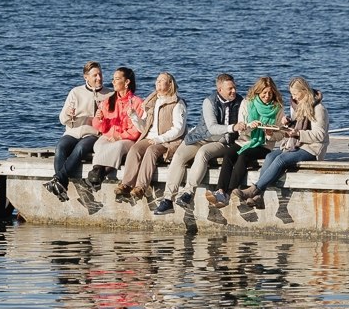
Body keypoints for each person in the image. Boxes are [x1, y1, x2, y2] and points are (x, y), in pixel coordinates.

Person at [153, 73, 242, 215]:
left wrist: (235, 130)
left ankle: (187, 193)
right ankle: (168, 199)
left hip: (221, 141)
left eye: (234, 88)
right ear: (220, 90)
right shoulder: (210, 102)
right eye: (230, 89)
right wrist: (233, 127)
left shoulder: (240, 102)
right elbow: (212, 127)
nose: (234, 91)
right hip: (200, 136)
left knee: (202, 154)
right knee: (179, 156)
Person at [234, 76, 330, 207]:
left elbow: (320, 135)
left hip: (312, 148)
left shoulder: (319, 109)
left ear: (304, 91)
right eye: (292, 94)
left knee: (281, 160)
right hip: (296, 144)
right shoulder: (298, 106)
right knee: (270, 156)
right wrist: (288, 124)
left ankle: (255, 190)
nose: (293, 97)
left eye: (295, 94)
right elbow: (296, 126)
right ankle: (259, 197)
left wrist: (297, 133)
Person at [205, 76, 285, 208]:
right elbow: (241, 129)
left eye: (270, 93)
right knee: (229, 155)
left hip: (263, 145)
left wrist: (270, 134)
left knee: (244, 156)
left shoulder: (277, 108)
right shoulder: (247, 103)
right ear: (258, 92)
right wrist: (249, 127)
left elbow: (281, 134)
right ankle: (220, 190)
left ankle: (229, 193)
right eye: (264, 93)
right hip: (244, 140)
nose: (267, 96)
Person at [113, 72, 187, 202]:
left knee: (151, 151)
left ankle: (141, 187)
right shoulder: (153, 102)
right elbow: (144, 128)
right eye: (157, 80)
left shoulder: (177, 103)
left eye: (162, 80)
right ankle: (126, 184)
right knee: (135, 149)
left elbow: (178, 130)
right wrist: (134, 117)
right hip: (150, 137)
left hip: (168, 141)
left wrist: (159, 139)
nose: (158, 82)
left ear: (170, 84)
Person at [44, 61, 110, 202]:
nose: (99, 78)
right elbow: (62, 119)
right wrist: (68, 114)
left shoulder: (109, 94)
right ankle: (61, 184)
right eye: (95, 75)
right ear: (86, 77)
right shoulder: (75, 92)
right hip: (73, 131)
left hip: (92, 134)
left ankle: (58, 181)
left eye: (100, 74)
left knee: (80, 148)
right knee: (60, 147)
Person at [84, 66, 143, 187]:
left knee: (118, 146)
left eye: (116, 79)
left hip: (128, 140)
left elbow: (137, 131)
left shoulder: (137, 102)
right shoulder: (108, 101)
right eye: (113, 79)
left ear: (127, 82)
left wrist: (119, 137)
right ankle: (97, 173)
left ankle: (97, 175)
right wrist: (99, 119)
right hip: (109, 136)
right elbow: (100, 128)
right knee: (99, 145)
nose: (113, 82)